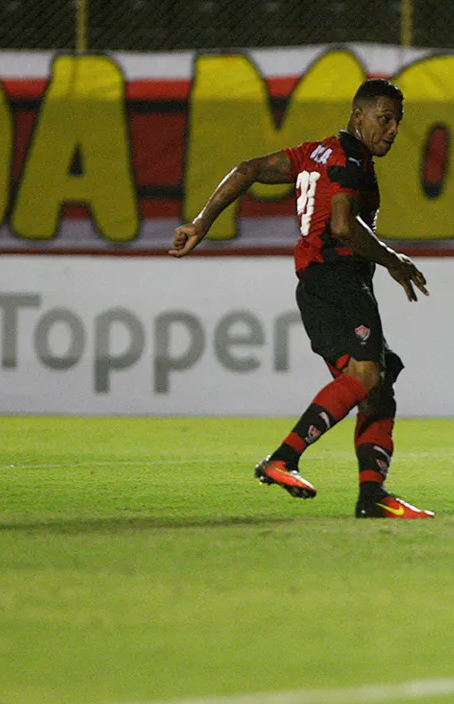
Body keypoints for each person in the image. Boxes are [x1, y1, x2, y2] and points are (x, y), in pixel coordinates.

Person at [170, 78, 434, 519]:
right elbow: (344, 226)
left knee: (377, 388)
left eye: (397, 122)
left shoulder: (316, 153)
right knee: (369, 375)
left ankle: (373, 496)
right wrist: (394, 261)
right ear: (358, 115)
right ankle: (283, 459)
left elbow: (247, 169)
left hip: (319, 283)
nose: (391, 130)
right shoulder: (351, 160)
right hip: (338, 279)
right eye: (384, 119)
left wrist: (201, 222)